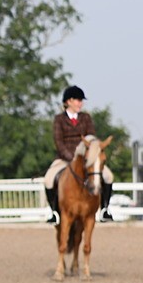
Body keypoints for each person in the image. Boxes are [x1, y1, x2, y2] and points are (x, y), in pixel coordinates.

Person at [42, 85, 114, 223]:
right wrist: (71, 158)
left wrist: (88, 157)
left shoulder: (86, 118)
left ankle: (105, 209)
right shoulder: (59, 119)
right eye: (78, 100)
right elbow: (59, 142)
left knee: (108, 176)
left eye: (81, 100)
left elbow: (92, 138)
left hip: (86, 159)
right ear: (68, 101)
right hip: (64, 158)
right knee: (48, 179)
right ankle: (54, 212)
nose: (81, 103)